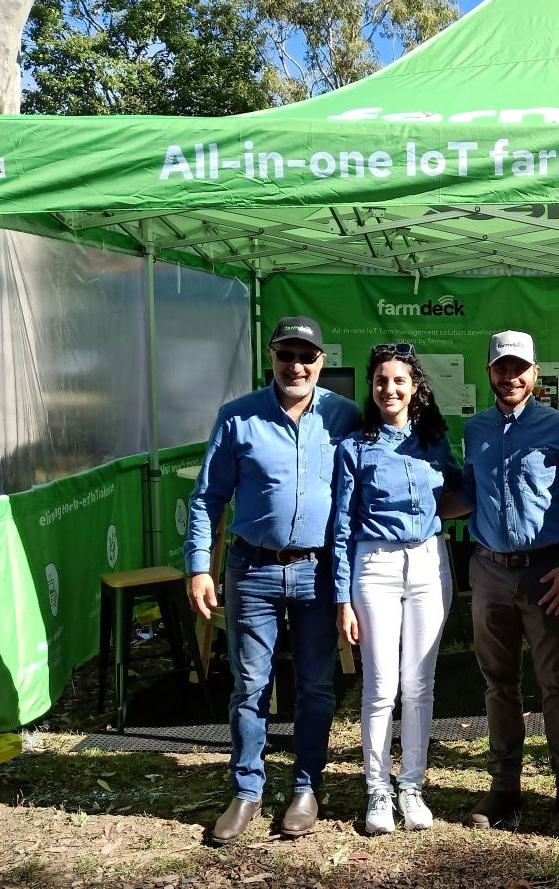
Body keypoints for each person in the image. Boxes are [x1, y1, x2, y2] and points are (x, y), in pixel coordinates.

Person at [185, 316, 360, 845]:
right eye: (287, 354)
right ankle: (246, 790)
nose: (297, 365)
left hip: (318, 572)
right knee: (249, 686)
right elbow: (207, 497)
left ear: (322, 362)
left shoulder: (344, 417)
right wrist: (198, 565)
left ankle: (306, 786)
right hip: (252, 569)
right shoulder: (237, 418)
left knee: (315, 686)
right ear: (271, 356)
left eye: (307, 356)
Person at [460, 330, 559, 834]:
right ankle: (505, 786)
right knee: (497, 682)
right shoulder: (473, 429)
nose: (510, 377)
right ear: (490, 373)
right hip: (488, 570)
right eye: (501, 368)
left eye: (519, 368)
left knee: (555, 683)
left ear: (535, 373)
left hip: (547, 570)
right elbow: (465, 495)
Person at [332, 342, 464, 835]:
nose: (390, 388)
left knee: (419, 685)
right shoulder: (354, 448)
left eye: (399, 380)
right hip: (376, 567)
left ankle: (411, 787)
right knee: (381, 685)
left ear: (415, 389)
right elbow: (341, 525)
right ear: (372, 387)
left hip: (430, 563)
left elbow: (458, 490)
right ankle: (377, 791)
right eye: (381, 380)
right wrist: (342, 598)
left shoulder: (433, 440)